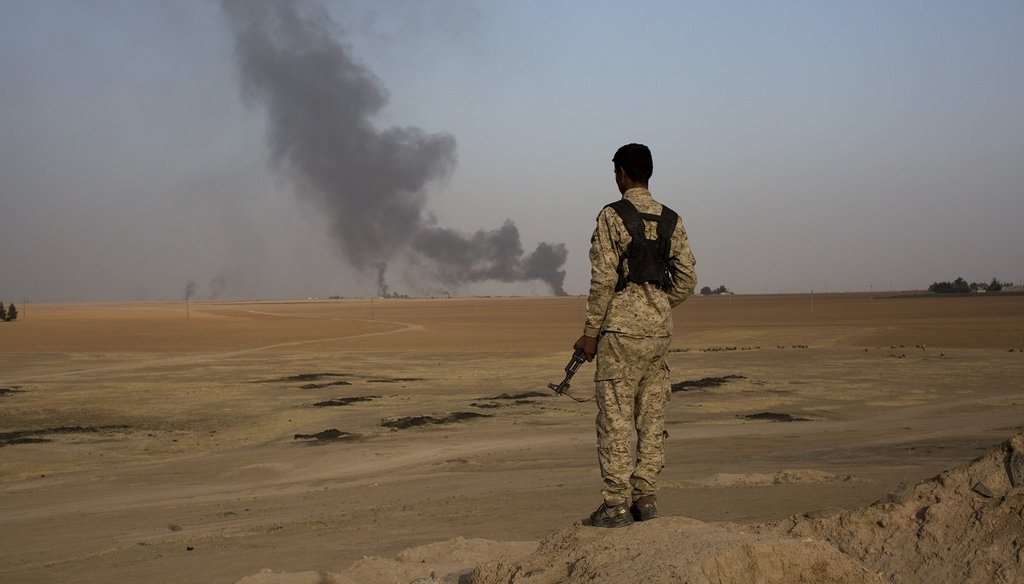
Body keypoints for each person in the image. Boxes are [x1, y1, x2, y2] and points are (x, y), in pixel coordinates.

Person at [573, 143, 696, 528]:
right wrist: (657, 306)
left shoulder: (612, 216)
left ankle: (615, 505)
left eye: (616, 172)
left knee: (615, 417)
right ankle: (646, 498)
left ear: (622, 174)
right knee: (651, 413)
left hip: (620, 333)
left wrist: (591, 332)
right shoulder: (672, 220)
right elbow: (688, 279)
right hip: (658, 334)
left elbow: (604, 278)